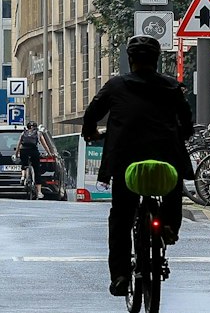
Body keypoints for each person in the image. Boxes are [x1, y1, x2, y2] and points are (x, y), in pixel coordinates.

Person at [83, 34, 196, 297]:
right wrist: (182, 133)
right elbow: (187, 122)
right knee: (172, 189)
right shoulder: (171, 86)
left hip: (126, 161)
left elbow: (91, 114)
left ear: (130, 59)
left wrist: (91, 132)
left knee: (121, 217)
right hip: (165, 159)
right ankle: (169, 225)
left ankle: (121, 275)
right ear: (156, 60)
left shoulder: (115, 86)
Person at [18, 122, 43, 189]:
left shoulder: (23, 133)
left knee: (24, 165)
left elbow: (19, 144)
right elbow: (45, 145)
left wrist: (16, 153)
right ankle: (39, 192)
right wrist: (49, 153)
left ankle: (23, 177)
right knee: (36, 169)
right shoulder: (38, 133)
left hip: (23, 151)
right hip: (34, 152)